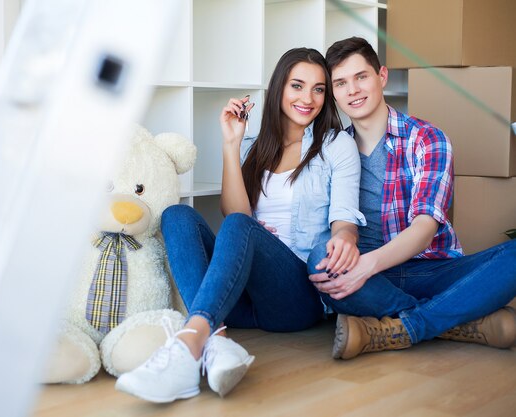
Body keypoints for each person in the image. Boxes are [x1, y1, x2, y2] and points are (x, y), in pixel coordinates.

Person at [115, 48, 366, 402]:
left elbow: (344, 216)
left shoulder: (336, 145)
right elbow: (236, 213)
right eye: (297, 86)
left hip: (294, 298)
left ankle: (189, 344)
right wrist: (231, 145)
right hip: (239, 297)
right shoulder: (253, 148)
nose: (307, 98)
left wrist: (345, 237)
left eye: (319, 89)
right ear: (279, 87)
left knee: (238, 226)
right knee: (176, 215)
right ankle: (215, 339)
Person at [307, 36, 516, 360]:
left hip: (432, 271)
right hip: (369, 279)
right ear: (334, 92)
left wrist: (366, 266)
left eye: (361, 77)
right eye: (341, 83)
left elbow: (424, 230)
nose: (353, 90)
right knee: (320, 258)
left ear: (382, 77)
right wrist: (359, 268)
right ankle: (454, 321)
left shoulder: (428, 139)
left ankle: (405, 326)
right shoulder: (332, 151)